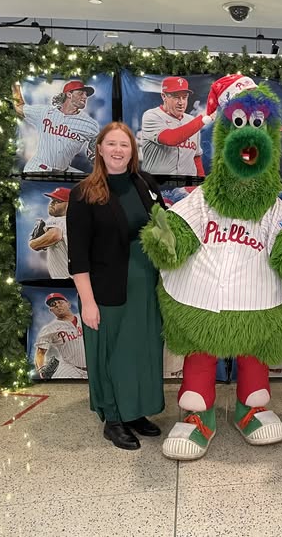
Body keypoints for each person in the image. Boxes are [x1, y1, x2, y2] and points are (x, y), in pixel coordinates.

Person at [66, 121, 166, 450]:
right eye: (111, 144)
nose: (118, 151)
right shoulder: (84, 194)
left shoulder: (144, 183)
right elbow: (78, 256)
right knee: (110, 355)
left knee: (140, 352)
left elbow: (164, 227)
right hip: (107, 291)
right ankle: (114, 418)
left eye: (124, 145)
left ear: (132, 151)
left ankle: (135, 411)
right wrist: (88, 302)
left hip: (145, 288)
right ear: (99, 149)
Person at [12, 80, 100, 173]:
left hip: (63, 171)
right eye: (81, 93)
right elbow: (19, 107)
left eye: (86, 95)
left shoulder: (90, 125)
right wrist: (15, 84)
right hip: (37, 168)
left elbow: (99, 145)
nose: (85, 97)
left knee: (87, 180)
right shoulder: (44, 112)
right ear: (69, 94)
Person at [139, 76, 215, 177]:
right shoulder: (152, 116)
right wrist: (202, 119)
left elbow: (196, 157)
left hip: (188, 185)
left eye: (184, 97)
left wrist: (200, 183)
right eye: (176, 97)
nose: (181, 102)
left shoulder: (192, 121)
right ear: (164, 96)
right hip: (159, 185)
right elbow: (171, 138)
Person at [33, 293, 86, 380]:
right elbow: (40, 352)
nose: (57, 305)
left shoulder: (84, 317)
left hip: (95, 366)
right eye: (53, 305)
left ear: (68, 304)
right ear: (51, 310)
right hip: (71, 370)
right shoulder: (49, 329)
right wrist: (41, 370)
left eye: (60, 302)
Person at [28, 187, 71, 279]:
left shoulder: (57, 220)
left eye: (58, 201)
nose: (52, 203)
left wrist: (33, 242)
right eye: (52, 200)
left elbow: (55, 235)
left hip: (65, 278)